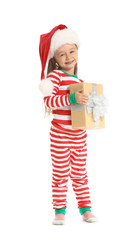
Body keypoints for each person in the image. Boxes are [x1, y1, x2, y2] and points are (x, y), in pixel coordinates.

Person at [39, 24, 97, 225]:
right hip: (61, 135)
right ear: (55, 59)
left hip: (79, 135)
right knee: (61, 172)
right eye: (62, 54)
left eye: (71, 51)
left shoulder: (79, 80)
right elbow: (49, 101)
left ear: (77, 52)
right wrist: (71, 98)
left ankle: (85, 208)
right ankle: (60, 210)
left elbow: (80, 109)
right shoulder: (55, 76)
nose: (68, 57)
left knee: (80, 173)